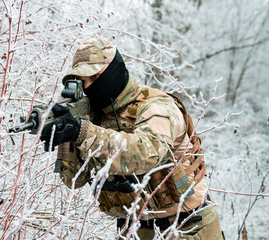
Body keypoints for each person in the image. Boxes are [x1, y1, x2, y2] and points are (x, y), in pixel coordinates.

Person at [40, 38, 224, 239]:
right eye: (84, 80)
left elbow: (147, 152)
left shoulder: (156, 106)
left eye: (96, 76)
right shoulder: (94, 115)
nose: (90, 86)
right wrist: (68, 136)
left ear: (113, 72)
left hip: (187, 225)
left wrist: (81, 132)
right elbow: (73, 180)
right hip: (134, 228)